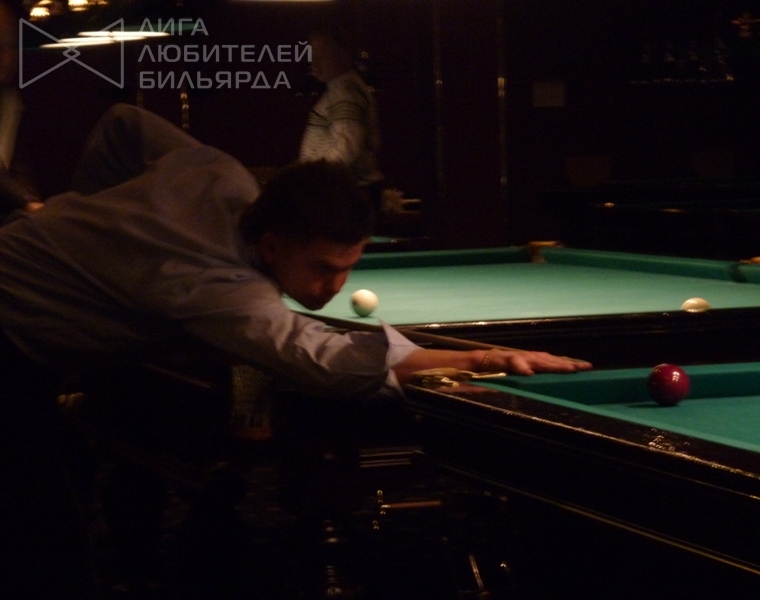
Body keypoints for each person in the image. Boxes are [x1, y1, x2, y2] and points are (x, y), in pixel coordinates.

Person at [0, 103, 590, 597]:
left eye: (349, 267)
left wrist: (90, 213)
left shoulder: (218, 173)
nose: (335, 287)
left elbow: (123, 124)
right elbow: (318, 358)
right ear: (272, 246)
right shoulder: (214, 285)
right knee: (44, 544)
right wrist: (478, 359)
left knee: (51, 509)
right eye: (323, 269)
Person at [298, 22, 385, 211]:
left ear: (342, 55)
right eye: (312, 58)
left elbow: (347, 147)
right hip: (343, 191)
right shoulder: (342, 89)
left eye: (320, 57)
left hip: (343, 195)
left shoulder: (345, 92)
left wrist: (310, 178)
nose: (314, 64)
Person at [0, 0, 43, 214]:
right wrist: (27, 203)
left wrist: (40, 212)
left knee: (125, 120)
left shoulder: (11, 101)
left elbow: (21, 175)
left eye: (13, 45)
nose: (8, 57)